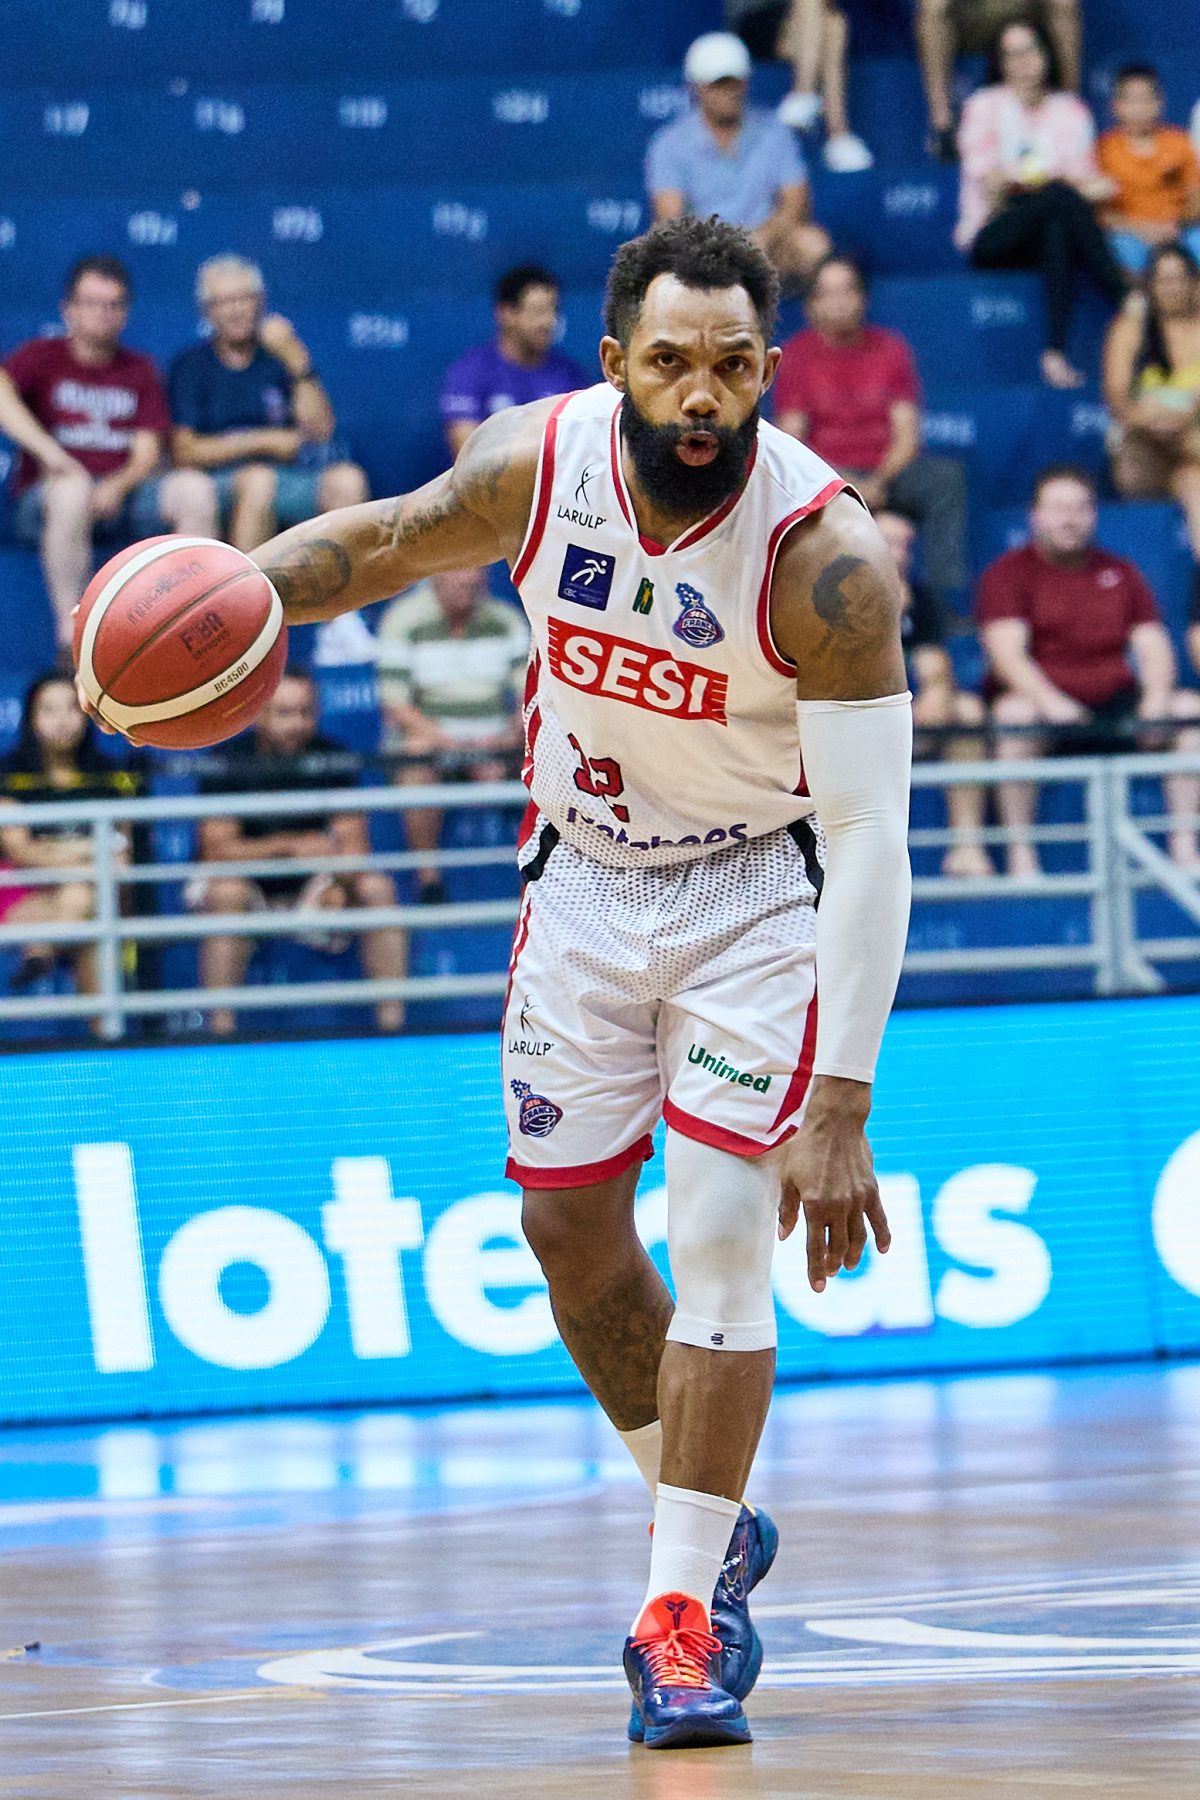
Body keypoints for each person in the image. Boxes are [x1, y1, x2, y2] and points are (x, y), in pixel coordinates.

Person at [86, 215, 912, 1750]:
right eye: (671, 362)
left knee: (718, 1239)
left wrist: (845, 1097)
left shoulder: (829, 563)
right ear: (615, 363)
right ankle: (708, 1513)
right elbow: (381, 545)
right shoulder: (540, 465)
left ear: (769, 373)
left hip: (753, 892)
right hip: (583, 879)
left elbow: (872, 837)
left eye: (734, 367)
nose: (701, 396)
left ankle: (678, 1621)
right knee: (566, 1234)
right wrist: (210, 605)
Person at [977, 465, 1200, 874]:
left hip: (1117, 706)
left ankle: (1184, 848)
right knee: (1013, 714)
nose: (1070, 519)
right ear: (1035, 516)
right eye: (1059, 508)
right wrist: (1053, 705)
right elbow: (1008, 657)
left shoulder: (1121, 571)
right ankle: (1021, 854)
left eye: (1081, 508)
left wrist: (1155, 701)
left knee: (1187, 709)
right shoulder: (1008, 573)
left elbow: (1153, 645)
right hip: (1047, 711)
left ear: (1094, 515)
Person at [0, 255, 216, 656]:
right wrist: (54, 457)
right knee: (72, 490)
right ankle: (73, 637)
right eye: (92, 302)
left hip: (121, 496)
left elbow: (148, 451)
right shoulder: (42, 355)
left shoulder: (139, 368)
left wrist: (117, 485)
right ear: (68, 309)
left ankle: (190, 624)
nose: (103, 313)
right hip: (49, 499)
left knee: (194, 489)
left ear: (126, 312)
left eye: (113, 304)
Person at [190, 668, 407, 1035]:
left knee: (376, 888)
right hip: (246, 884)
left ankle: (394, 1030)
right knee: (225, 893)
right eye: (285, 713)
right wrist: (288, 847)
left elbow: (355, 848)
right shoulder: (228, 760)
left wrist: (340, 883)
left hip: (316, 884)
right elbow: (217, 852)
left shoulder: (333, 758)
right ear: (258, 713)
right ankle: (221, 1035)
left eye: (306, 712)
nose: (297, 724)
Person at [774, 252, 969, 614]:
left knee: (946, 479)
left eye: (847, 291)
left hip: (888, 474)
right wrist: (845, 483)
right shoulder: (797, 355)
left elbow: (907, 435)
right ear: (811, 305)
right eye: (827, 293)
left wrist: (877, 482)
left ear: (863, 298)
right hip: (828, 478)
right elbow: (794, 442)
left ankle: (946, 608)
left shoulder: (891, 348)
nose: (839, 302)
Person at [955, 17, 1126, 390]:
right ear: (1000, 63)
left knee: (1058, 226)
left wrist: (1032, 182)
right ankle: (1123, 295)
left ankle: (1054, 353)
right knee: (1060, 199)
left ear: (1047, 55)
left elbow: (1087, 184)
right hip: (994, 231)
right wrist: (1053, 182)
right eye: (1010, 54)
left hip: (1050, 227)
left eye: (1029, 51)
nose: (1021, 62)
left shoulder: (1070, 109)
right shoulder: (983, 106)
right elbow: (992, 186)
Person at [168, 254, 369, 552]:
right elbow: (186, 451)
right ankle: (246, 583)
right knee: (259, 481)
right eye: (224, 302)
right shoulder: (191, 365)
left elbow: (321, 432)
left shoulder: (280, 357)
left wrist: (296, 359)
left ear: (261, 302)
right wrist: (264, 441)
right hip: (218, 481)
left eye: (244, 298)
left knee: (348, 481)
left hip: (287, 476)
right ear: (207, 312)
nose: (236, 310)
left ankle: (337, 582)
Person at [376, 567, 529, 903]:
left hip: (497, 739)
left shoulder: (506, 619)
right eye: (460, 570)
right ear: (435, 575)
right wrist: (458, 749)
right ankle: (428, 875)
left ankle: (547, 874)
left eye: (476, 570)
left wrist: (506, 740)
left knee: (553, 748)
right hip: (432, 738)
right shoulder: (403, 619)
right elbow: (395, 705)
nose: (469, 579)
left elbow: (530, 693)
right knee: (415, 756)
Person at [0, 672, 140, 1009]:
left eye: (71, 709)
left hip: (90, 895)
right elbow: (21, 851)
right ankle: (105, 1031)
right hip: (22, 894)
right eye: (49, 710)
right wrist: (89, 856)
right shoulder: (9, 774)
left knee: (84, 901)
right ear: (30, 718)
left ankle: (42, 950)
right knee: (90, 908)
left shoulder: (109, 777)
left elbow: (124, 854)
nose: (62, 720)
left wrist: (55, 852)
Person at [646, 32, 832, 286]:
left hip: (767, 246)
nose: (728, 92)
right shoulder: (669, 143)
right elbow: (671, 217)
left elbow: (796, 203)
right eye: (718, 84)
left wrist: (763, 237)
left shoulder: (775, 132)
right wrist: (726, 246)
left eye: (734, 83)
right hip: (703, 250)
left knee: (812, 243)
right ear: (696, 87)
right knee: (664, 253)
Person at [877, 509, 993, 877]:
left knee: (969, 711)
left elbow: (933, 662)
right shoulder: (834, 597)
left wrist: (938, 691)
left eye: (906, 546)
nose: (898, 556)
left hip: (908, 717)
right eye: (888, 544)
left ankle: (967, 846)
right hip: (856, 719)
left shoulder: (920, 599)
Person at [1104, 243, 1200, 607]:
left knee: (1192, 478)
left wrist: (1188, 414)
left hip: (1192, 452)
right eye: (1163, 280)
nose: (1172, 287)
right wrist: (1151, 419)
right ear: (1149, 285)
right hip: (1144, 447)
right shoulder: (1132, 328)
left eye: (1179, 278)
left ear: (1194, 281)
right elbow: (1117, 399)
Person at [439, 267, 588, 461]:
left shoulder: (569, 374)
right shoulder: (470, 372)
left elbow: (583, 447)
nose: (548, 321)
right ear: (506, 313)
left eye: (554, 310)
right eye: (538, 312)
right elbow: (468, 454)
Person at [916, 0, 1081, 163]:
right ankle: (943, 127)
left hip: (1025, 7)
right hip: (970, 14)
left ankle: (1068, 112)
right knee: (934, 6)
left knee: (1064, 3)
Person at [726, 0, 874, 172]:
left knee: (836, 24)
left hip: (805, 27)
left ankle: (837, 135)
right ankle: (805, 95)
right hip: (758, 21)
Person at [1098, 66, 1200, 276]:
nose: (1140, 108)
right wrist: (1142, 229)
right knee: (1123, 249)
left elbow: (1195, 196)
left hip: (1178, 229)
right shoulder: (1104, 150)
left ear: (1160, 102)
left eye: (1147, 99)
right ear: (1116, 105)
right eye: (1132, 100)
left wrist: (1176, 226)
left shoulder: (1179, 143)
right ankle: (1137, 297)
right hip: (1130, 233)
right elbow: (1102, 213)